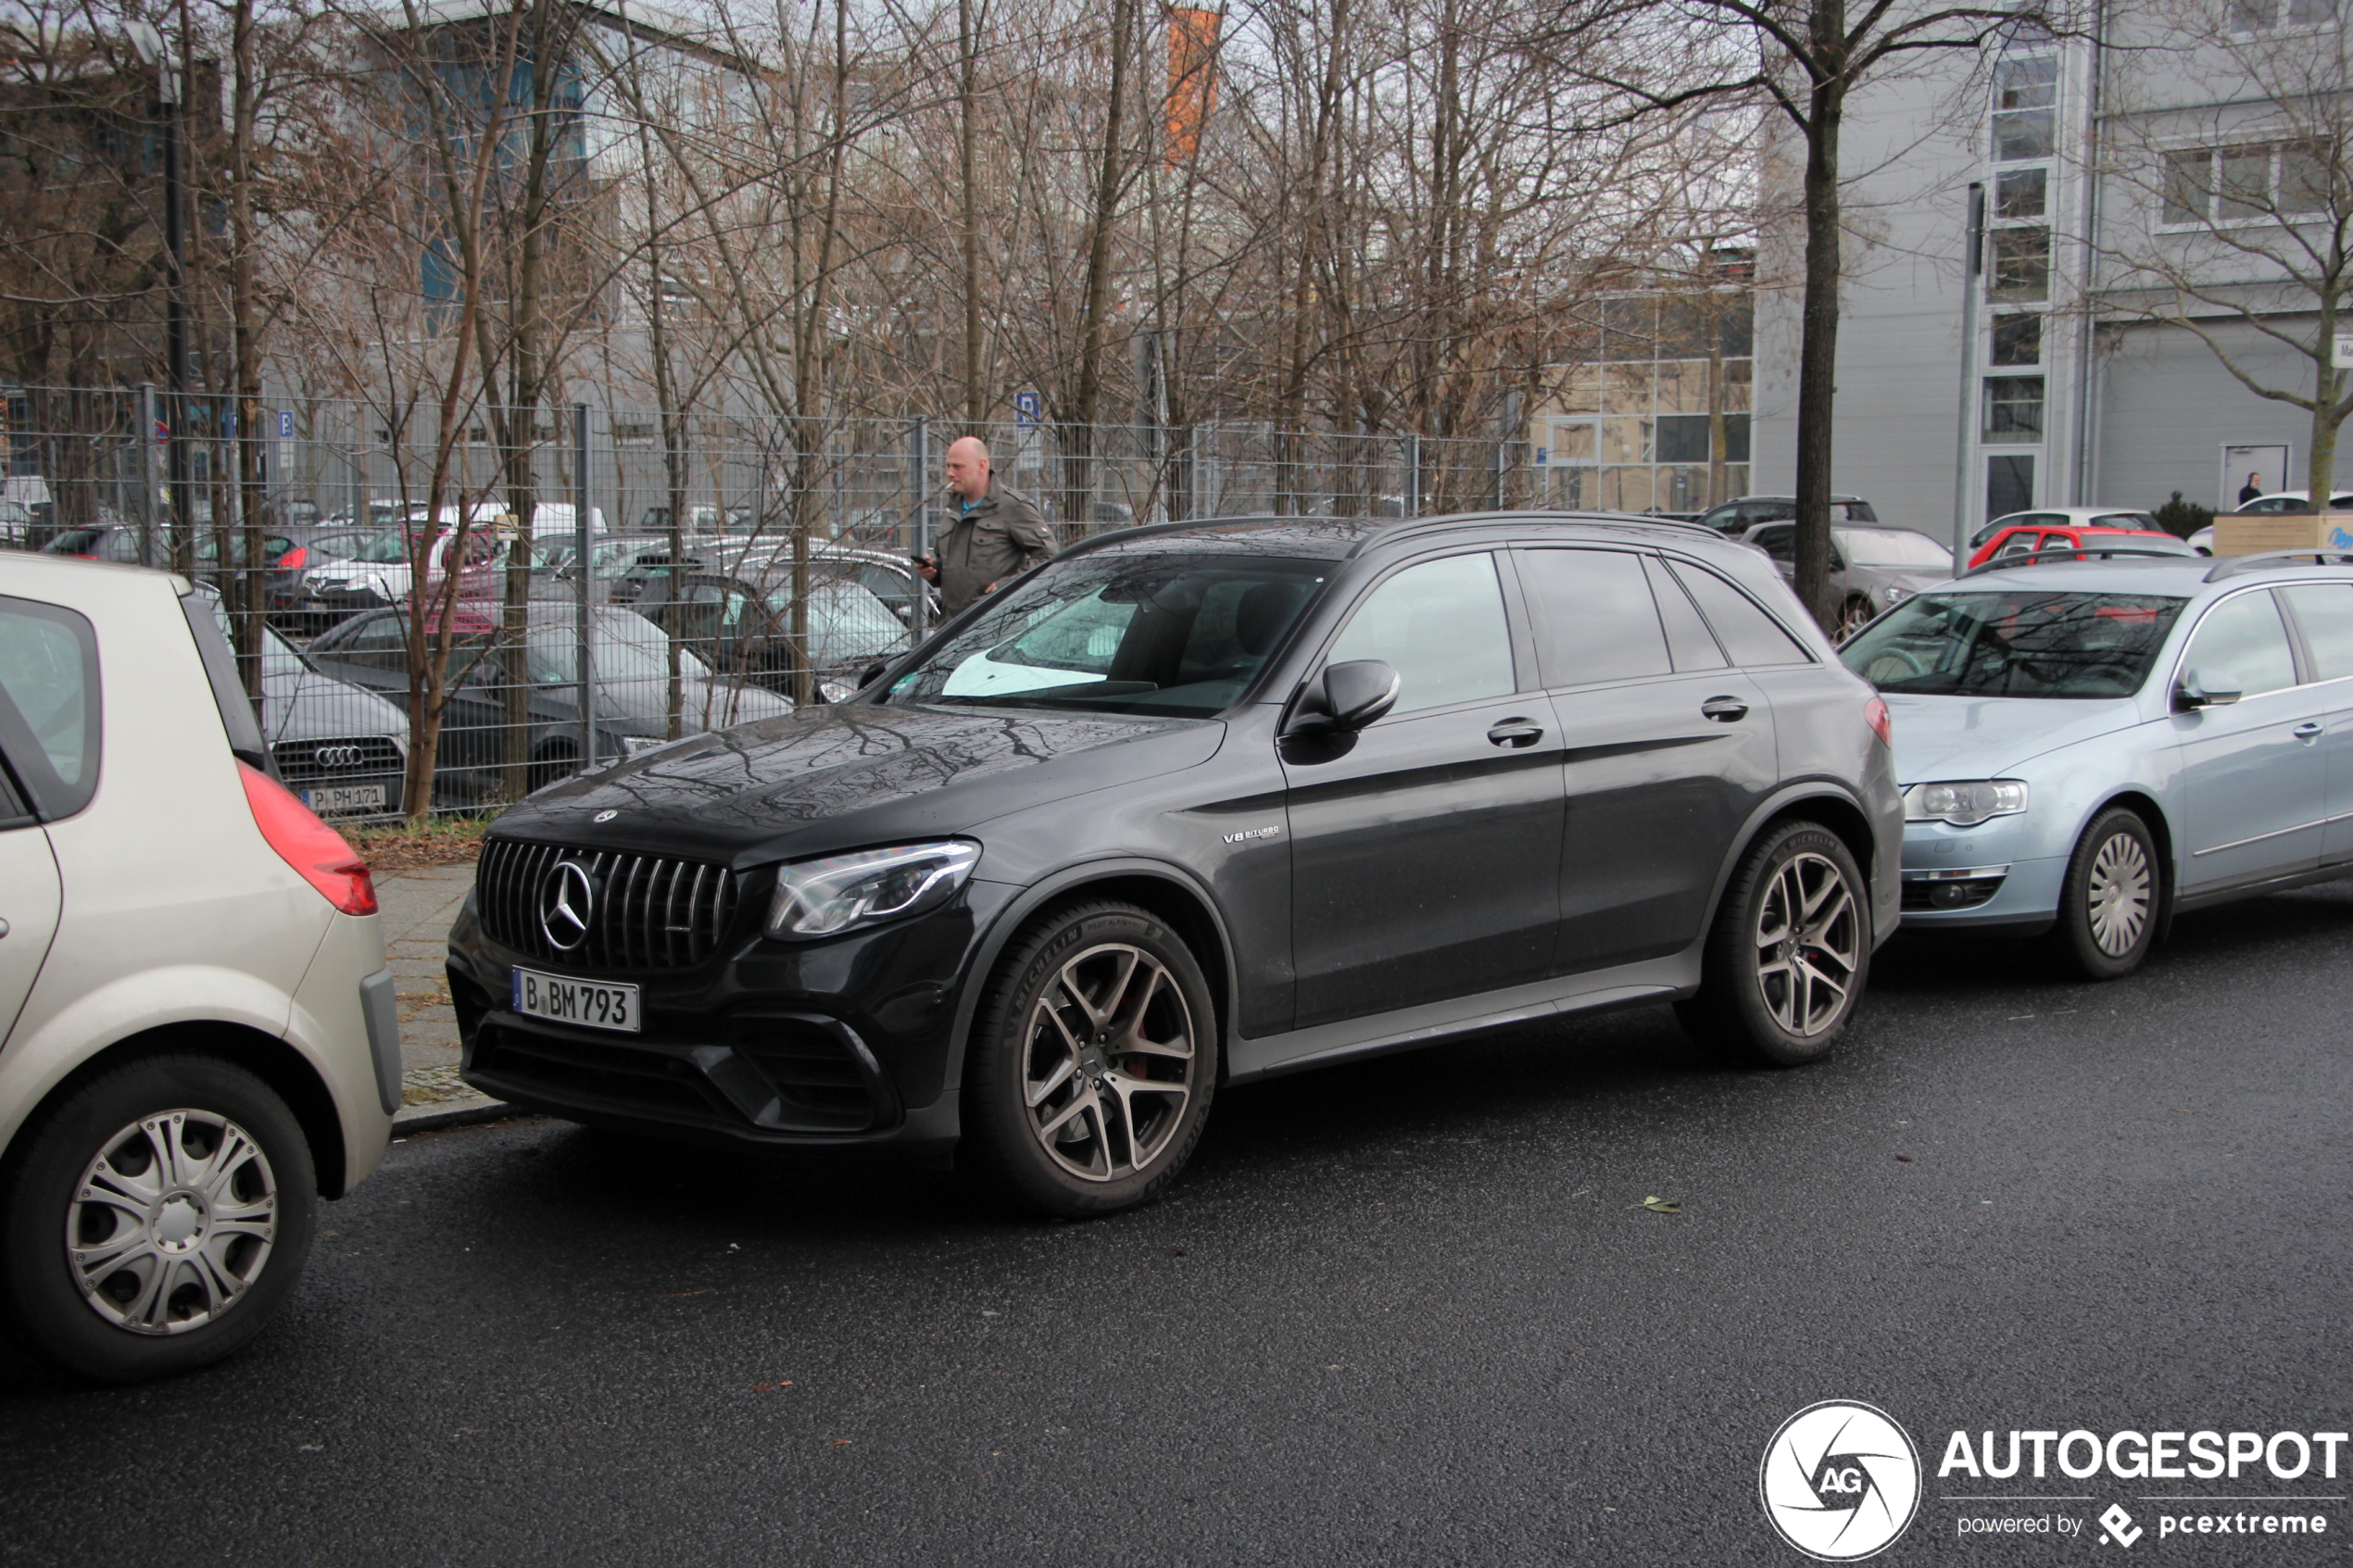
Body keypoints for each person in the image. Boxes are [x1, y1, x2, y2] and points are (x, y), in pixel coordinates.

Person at [914, 436, 1055, 617]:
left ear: (981, 466)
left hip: (995, 626)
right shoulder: (953, 508)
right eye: (948, 465)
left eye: (958, 466)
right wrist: (933, 571)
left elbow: (1048, 557)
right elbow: (953, 568)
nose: (950, 473)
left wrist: (1009, 585)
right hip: (951, 626)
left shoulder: (1012, 506)